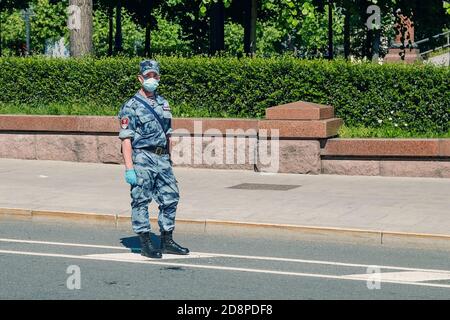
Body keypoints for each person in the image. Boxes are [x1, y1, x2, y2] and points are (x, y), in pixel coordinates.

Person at [118, 60, 189, 259]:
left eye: (154, 76)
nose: (152, 79)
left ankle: (167, 240)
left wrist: (169, 157)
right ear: (140, 78)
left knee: (171, 197)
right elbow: (126, 139)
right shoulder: (130, 106)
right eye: (147, 76)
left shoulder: (163, 103)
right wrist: (129, 168)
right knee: (141, 199)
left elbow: (168, 133)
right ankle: (145, 242)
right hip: (142, 157)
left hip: (162, 158)